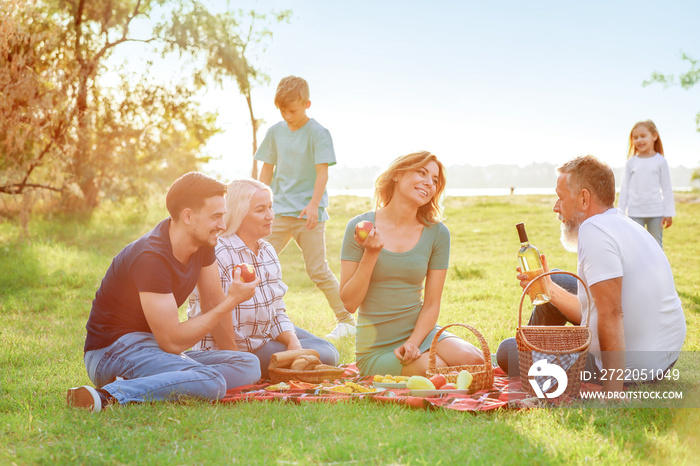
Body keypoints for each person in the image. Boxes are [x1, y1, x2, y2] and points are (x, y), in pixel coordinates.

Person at [67, 173, 262, 412]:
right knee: (212, 381)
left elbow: (212, 301)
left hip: (150, 346)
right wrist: (232, 300)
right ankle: (106, 395)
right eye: (216, 217)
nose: (222, 225)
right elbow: (171, 342)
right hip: (111, 352)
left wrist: (230, 356)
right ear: (188, 216)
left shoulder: (202, 244)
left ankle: (158, 383)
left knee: (248, 364)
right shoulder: (151, 258)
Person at [496, 155, 686, 394]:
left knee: (507, 353)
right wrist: (548, 288)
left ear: (584, 198)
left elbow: (611, 313)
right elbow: (597, 311)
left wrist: (613, 390)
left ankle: (529, 354)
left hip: (634, 367)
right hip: (663, 360)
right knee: (555, 278)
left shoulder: (592, 230)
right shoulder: (623, 223)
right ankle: (536, 346)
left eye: (560, 197)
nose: (556, 207)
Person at [339, 151, 485, 377]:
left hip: (421, 333)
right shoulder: (360, 226)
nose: (429, 182)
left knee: (475, 360)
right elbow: (349, 303)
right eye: (422, 172)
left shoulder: (437, 233)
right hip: (376, 347)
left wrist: (414, 343)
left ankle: (427, 353)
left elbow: (431, 303)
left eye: (435, 180)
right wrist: (371, 253)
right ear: (397, 174)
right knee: (438, 368)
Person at [187, 179, 339, 379]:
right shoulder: (220, 252)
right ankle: (277, 368)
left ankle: (288, 362)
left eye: (270, 207)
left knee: (329, 351)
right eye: (260, 210)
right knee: (324, 354)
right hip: (235, 348)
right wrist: (236, 361)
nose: (270, 216)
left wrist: (292, 341)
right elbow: (216, 315)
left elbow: (276, 309)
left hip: (263, 336)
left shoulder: (267, 251)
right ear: (239, 213)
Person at [255, 75, 356, 341]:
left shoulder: (318, 133)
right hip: (278, 211)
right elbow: (267, 168)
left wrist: (313, 205)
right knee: (256, 263)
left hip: (308, 214)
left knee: (317, 270)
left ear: (307, 104)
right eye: (282, 110)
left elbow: (321, 173)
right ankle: (255, 320)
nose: (288, 115)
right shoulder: (274, 132)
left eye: (293, 110)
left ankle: (346, 321)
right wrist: (255, 200)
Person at [618, 119, 675, 248]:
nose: (639, 140)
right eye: (635, 137)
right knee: (635, 245)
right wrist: (620, 212)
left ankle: (658, 269)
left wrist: (668, 212)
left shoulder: (660, 161)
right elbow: (624, 189)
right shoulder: (631, 163)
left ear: (654, 136)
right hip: (634, 212)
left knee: (656, 245)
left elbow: (666, 188)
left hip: (656, 212)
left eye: (643, 136)